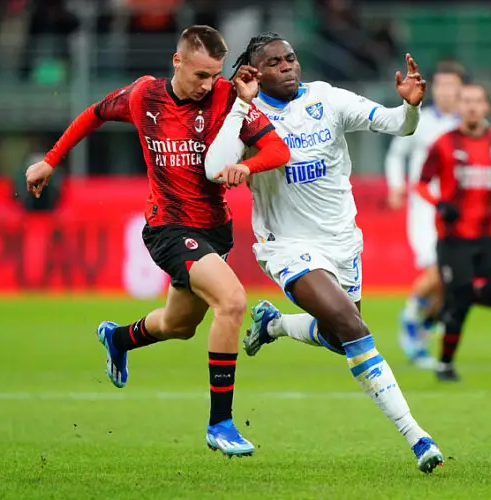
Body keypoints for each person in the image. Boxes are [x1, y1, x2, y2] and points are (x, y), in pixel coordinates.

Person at [24, 25, 291, 456]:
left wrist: (249, 166)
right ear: (177, 61)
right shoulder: (143, 96)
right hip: (168, 227)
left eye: (215, 75)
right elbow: (93, 113)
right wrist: (51, 160)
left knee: (179, 325)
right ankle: (220, 424)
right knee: (233, 301)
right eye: (201, 75)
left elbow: (278, 150)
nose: (209, 85)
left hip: (214, 229)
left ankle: (119, 338)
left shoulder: (228, 97)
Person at [206, 32, 444, 473]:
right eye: (274, 62)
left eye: (291, 58)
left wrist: (409, 106)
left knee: (339, 334)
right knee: (352, 326)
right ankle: (417, 436)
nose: (288, 66)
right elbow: (216, 167)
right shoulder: (248, 115)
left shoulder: (326, 99)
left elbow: (396, 125)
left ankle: (274, 324)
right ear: (254, 73)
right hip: (288, 246)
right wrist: (240, 106)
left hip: (342, 242)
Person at [415, 83, 491, 382]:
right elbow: (421, 184)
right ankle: (445, 364)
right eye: (466, 101)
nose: (472, 107)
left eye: (477, 101)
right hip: (453, 239)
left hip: (490, 235)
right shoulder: (443, 144)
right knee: (460, 299)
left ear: (487, 106)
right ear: (459, 107)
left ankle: (451, 303)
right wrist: (439, 204)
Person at [384, 60, 466, 369]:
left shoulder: (466, 125)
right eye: (442, 85)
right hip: (424, 209)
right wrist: (395, 186)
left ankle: (422, 329)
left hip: (458, 212)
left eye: (452, 85)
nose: (446, 91)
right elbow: (397, 153)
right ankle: (410, 319)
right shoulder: (420, 119)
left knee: (452, 279)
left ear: (461, 89)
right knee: (438, 268)